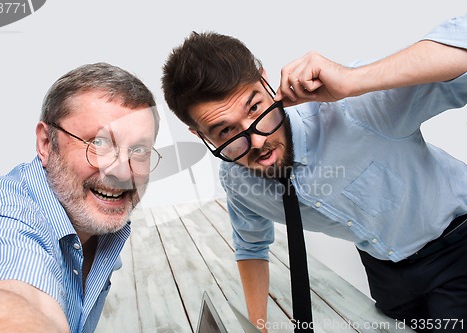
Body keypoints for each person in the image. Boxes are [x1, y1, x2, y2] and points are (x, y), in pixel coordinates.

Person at [162, 15, 467, 332]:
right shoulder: (238, 180)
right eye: (225, 130)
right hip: (385, 270)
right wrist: (259, 327)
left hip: (457, 243)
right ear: (200, 135)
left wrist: (355, 80)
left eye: (255, 109)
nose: (258, 141)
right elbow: (251, 247)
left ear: (267, 83)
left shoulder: (356, 108)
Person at [0, 63, 161, 333]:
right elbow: (14, 296)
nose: (122, 171)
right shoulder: (2, 211)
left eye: (139, 149)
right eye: (99, 143)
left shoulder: (94, 225)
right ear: (46, 143)